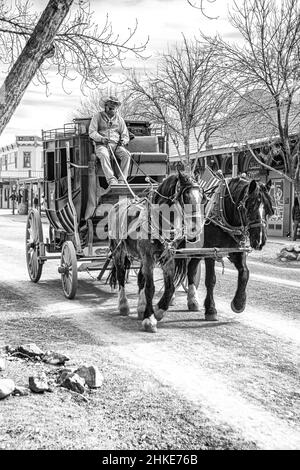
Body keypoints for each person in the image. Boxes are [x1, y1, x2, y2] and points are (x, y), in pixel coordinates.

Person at [89, 95, 131, 185]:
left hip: (116, 146)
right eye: (110, 105)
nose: (112, 107)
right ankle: (111, 180)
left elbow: (125, 135)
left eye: (114, 105)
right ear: (105, 106)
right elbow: (92, 132)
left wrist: (123, 141)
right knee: (104, 154)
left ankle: (122, 180)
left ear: (116, 108)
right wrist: (101, 138)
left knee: (127, 155)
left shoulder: (120, 120)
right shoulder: (97, 116)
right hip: (102, 145)